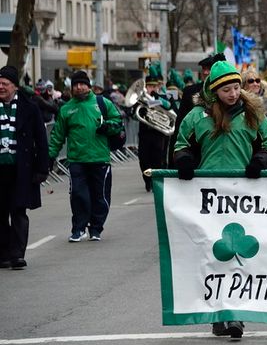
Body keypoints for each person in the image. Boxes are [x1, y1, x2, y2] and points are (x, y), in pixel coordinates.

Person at [173, 61, 267, 341]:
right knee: (213, 253)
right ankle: (218, 313)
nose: (232, 94)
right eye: (226, 90)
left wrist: (260, 161)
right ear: (214, 90)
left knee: (238, 253)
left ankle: (235, 313)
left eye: (236, 88)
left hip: (242, 194)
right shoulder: (198, 115)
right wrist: (184, 160)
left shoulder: (253, 113)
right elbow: (181, 142)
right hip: (207, 195)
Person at [48, 70, 123, 242]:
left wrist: (108, 126)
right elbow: (57, 135)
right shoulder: (66, 109)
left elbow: (118, 122)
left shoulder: (102, 103)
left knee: (100, 196)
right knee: (78, 195)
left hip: (100, 158)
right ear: (72, 87)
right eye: (75, 84)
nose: (79, 87)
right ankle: (78, 228)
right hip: (77, 160)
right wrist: (50, 156)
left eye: (82, 84)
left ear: (88, 86)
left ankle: (96, 228)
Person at [0, 66, 49, 270]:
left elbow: (41, 139)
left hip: (21, 169)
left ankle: (17, 254)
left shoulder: (30, 108)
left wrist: (42, 169)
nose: (0, 87)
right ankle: (3, 254)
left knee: (19, 211)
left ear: (15, 86)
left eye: (4, 84)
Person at [170, 53, 226, 166]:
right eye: (203, 69)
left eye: (209, 69)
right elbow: (180, 126)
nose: (205, 72)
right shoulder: (190, 92)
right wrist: (174, 161)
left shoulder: (229, 92)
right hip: (194, 152)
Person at [138, 74, 172, 192]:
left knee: (157, 159)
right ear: (145, 87)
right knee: (143, 159)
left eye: (154, 86)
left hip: (158, 134)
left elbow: (168, 105)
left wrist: (156, 100)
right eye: (150, 86)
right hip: (144, 133)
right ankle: (147, 180)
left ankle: (156, 182)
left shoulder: (162, 97)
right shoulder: (141, 99)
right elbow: (133, 113)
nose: (152, 88)